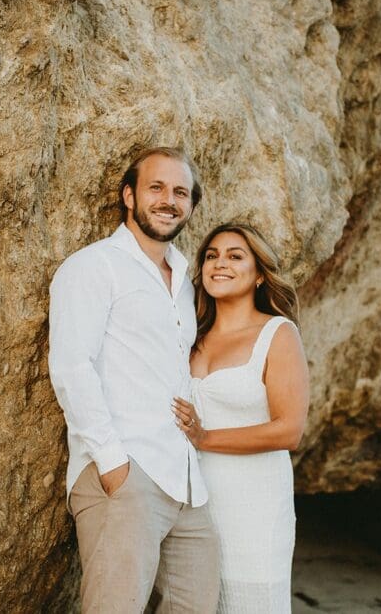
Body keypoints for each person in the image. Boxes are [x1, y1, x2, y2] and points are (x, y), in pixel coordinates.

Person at [48, 146, 220, 613]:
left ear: (191, 205)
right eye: (156, 188)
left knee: (197, 605)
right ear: (129, 196)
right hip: (126, 472)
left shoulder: (185, 282)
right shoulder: (93, 266)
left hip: (185, 480)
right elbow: (71, 366)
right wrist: (112, 464)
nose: (168, 200)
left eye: (180, 192)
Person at [171, 223, 310, 613]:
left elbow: (289, 430)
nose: (220, 263)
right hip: (192, 503)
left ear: (260, 274)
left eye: (235, 256)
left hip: (255, 505)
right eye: (211, 256)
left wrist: (205, 438)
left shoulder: (277, 334)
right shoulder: (190, 336)